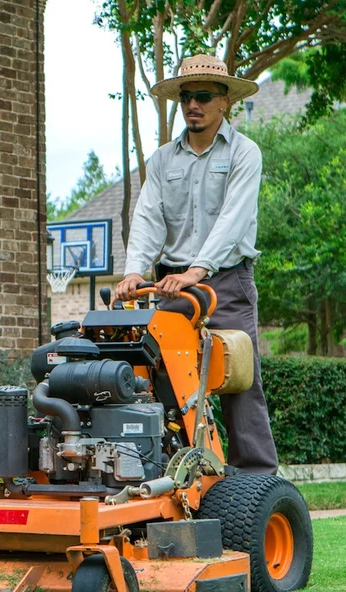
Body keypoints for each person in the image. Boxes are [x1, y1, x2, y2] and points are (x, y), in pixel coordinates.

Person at [113, 54, 277, 474]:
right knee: (162, 382)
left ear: (225, 102)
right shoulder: (163, 160)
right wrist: (135, 269)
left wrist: (197, 270)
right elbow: (148, 217)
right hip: (171, 287)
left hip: (227, 283)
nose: (193, 105)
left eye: (203, 96)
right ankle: (175, 476)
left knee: (240, 382)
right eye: (186, 97)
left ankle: (257, 483)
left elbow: (233, 219)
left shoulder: (245, 153)